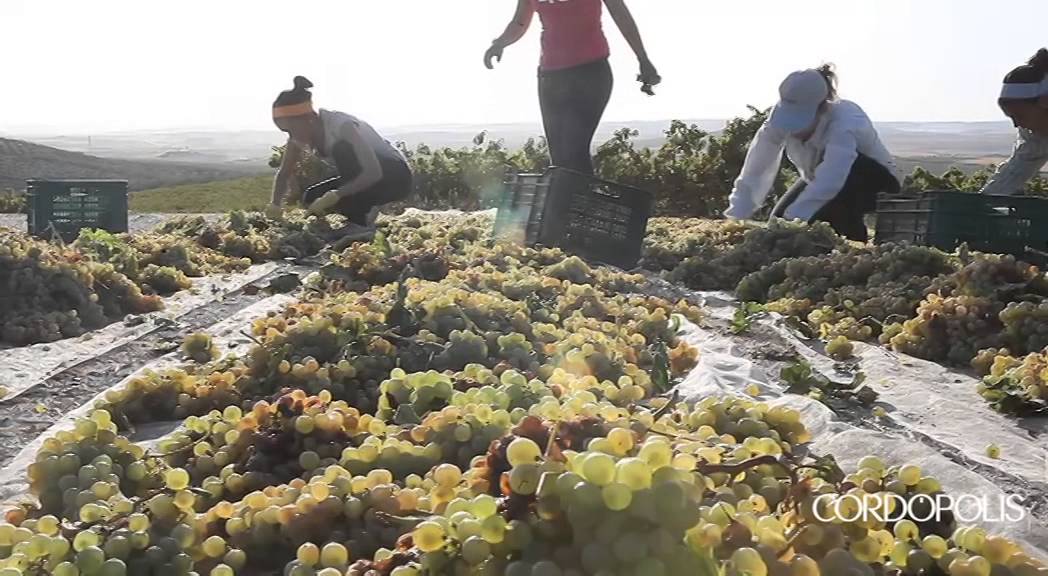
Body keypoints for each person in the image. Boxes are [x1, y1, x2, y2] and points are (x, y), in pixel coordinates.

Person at [725, 65, 900, 242]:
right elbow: (757, 166)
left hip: (875, 181)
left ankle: (854, 248)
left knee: (824, 216)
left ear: (822, 108)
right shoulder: (776, 119)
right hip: (819, 177)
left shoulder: (846, 122)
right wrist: (737, 215)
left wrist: (795, 220)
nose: (794, 130)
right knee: (777, 223)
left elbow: (832, 177)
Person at [484, 0, 660, 174]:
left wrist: (642, 59)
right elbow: (519, 22)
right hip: (551, 77)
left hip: (590, 72)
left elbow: (620, 14)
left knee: (574, 149)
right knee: (559, 157)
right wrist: (500, 43)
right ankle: (567, 200)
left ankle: (582, 200)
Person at [270, 76, 413, 235]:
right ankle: (360, 208)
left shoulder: (342, 126)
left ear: (308, 119)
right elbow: (284, 173)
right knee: (310, 198)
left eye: (291, 129)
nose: (291, 136)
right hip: (365, 178)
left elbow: (373, 172)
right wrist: (275, 205)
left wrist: (337, 194)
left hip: (394, 177)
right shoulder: (299, 137)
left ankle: (361, 218)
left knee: (342, 150)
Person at [981, 49, 1048, 196]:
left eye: (1020, 115)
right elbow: (1014, 172)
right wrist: (981, 203)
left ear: (1045, 102)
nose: (1017, 125)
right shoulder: (1033, 136)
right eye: (1011, 118)